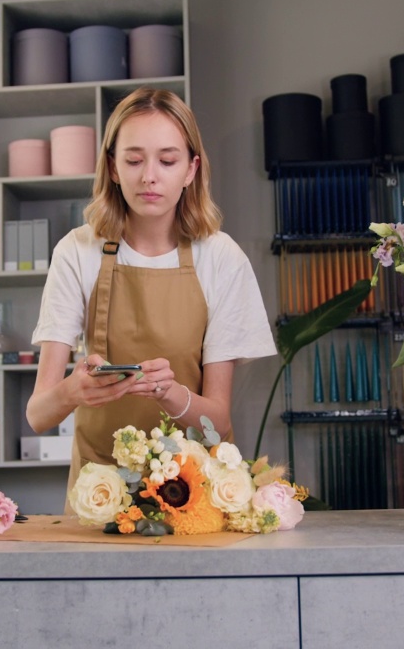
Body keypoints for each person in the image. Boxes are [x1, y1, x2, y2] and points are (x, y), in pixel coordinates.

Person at [27, 88, 276, 504]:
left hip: (193, 492)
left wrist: (170, 392)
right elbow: (38, 415)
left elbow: (218, 417)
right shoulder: (77, 251)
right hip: (101, 493)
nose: (149, 176)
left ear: (191, 169)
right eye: (134, 159)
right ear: (112, 167)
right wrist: (76, 390)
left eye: (167, 160)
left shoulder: (220, 258)